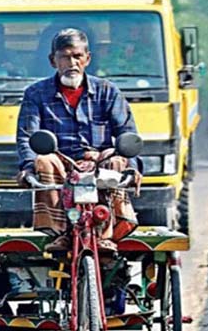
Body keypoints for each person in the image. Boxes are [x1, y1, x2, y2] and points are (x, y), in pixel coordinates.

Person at [16, 28, 141, 251]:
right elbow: (27, 137)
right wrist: (27, 168)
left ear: (87, 59)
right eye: (64, 56)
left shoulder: (108, 91)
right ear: (53, 61)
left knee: (117, 161)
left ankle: (105, 233)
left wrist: (132, 167)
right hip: (60, 161)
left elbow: (126, 132)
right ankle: (61, 233)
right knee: (43, 161)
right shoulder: (35, 93)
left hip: (98, 161)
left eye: (77, 56)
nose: (71, 62)